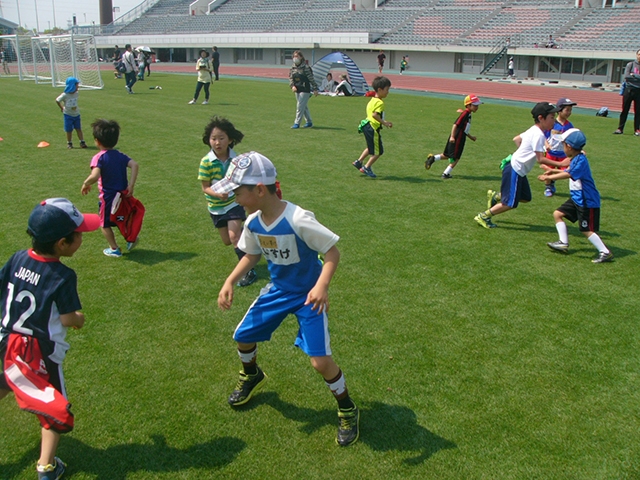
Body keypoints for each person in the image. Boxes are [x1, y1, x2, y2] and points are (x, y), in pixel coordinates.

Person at [213, 151, 359, 447]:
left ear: (259, 189)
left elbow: (332, 252)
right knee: (243, 335)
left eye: (237, 192)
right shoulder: (253, 223)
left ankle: (347, 408)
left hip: (309, 298)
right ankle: (251, 375)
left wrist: (322, 286)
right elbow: (253, 255)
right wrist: (230, 280)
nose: (234, 199)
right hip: (278, 292)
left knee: (320, 363)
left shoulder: (298, 219)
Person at [0, 197, 100, 480]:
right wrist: (79, 319)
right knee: (55, 406)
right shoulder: (62, 275)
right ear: (62, 244)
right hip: (40, 351)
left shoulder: (17, 257)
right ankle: (47, 467)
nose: (82, 237)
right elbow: (69, 318)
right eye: (78, 234)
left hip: (7, 340)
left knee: (10, 375)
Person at [474, 102, 567, 229]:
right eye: (551, 117)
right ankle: (483, 216)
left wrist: (523, 154)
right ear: (541, 118)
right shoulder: (539, 134)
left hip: (518, 169)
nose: (554, 121)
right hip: (515, 169)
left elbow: (516, 139)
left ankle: (497, 196)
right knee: (510, 203)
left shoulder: (534, 130)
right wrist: (561, 164)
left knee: (525, 197)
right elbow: (540, 159)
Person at [538, 129, 613, 263]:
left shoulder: (580, 161)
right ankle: (563, 243)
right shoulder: (576, 159)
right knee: (557, 214)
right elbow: (567, 170)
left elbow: (568, 174)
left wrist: (547, 177)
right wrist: (551, 170)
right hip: (577, 198)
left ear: (570, 147)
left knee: (586, 229)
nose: (562, 147)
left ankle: (605, 252)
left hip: (586, 201)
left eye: (563, 145)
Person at [198, 116, 257, 287]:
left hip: (233, 203)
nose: (217, 142)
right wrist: (217, 194)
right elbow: (205, 187)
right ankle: (250, 235)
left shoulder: (235, 159)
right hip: (216, 207)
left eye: (221, 138)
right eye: (213, 138)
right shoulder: (206, 162)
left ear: (230, 139)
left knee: (233, 236)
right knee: (227, 240)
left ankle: (248, 270)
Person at [81, 119, 140, 257]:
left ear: (97, 141)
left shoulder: (99, 158)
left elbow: (95, 176)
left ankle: (114, 249)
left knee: (104, 224)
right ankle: (132, 239)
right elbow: (135, 165)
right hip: (123, 195)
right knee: (121, 219)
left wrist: (86, 183)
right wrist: (131, 185)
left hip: (108, 197)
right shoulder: (120, 155)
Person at [425, 94, 482, 179]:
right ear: (468, 105)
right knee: (456, 158)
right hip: (457, 139)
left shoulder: (468, 114)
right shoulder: (465, 114)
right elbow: (455, 125)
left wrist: (471, 137)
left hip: (459, 137)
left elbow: (464, 129)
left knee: (447, 155)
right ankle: (446, 174)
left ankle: (432, 158)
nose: (477, 107)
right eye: (475, 105)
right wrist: (452, 136)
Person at [352, 76, 393, 178]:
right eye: (387, 89)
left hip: (366, 125)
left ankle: (359, 161)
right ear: (380, 89)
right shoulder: (380, 102)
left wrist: (383, 121)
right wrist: (385, 123)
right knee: (379, 151)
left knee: (371, 147)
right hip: (372, 127)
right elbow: (375, 115)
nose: (388, 92)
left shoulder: (372, 100)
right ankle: (367, 167)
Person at [539, 97, 576, 197]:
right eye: (567, 110)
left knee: (567, 171)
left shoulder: (569, 125)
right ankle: (548, 187)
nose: (569, 112)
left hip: (563, 154)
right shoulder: (552, 123)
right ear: (559, 110)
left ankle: (554, 180)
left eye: (570, 110)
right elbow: (543, 135)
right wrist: (546, 144)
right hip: (551, 153)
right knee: (548, 170)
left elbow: (572, 138)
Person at [55, 77, 87, 150]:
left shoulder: (76, 94)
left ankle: (82, 142)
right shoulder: (65, 95)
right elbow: (57, 100)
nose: (78, 87)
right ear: (72, 85)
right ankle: (69, 143)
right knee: (69, 130)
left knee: (78, 128)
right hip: (68, 115)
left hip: (76, 114)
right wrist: (61, 108)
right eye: (76, 85)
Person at [613, 48, 640, 136]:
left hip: (639, 90)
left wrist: (634, 75)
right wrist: (636, 76)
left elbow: (631, 76)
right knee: (625, 110)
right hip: (629, 90)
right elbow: (627, 76)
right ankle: (620, 128)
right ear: (636, 55)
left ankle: (637, 129)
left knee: (638, 111)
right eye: (639, 54)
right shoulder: (630, 64)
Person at [289, 50, 318, 129]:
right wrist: (292, 86)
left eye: (297, 56)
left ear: (301, 57)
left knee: (300, 106)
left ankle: (297, 123)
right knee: (303, 107)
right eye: (294, 56)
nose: (295, 58)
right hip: (297, 88)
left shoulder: (306, 67)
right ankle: (309, 122)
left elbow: (311, 78)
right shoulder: (293, 67)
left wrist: (315, 88)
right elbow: (291, 78)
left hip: (305, 89)